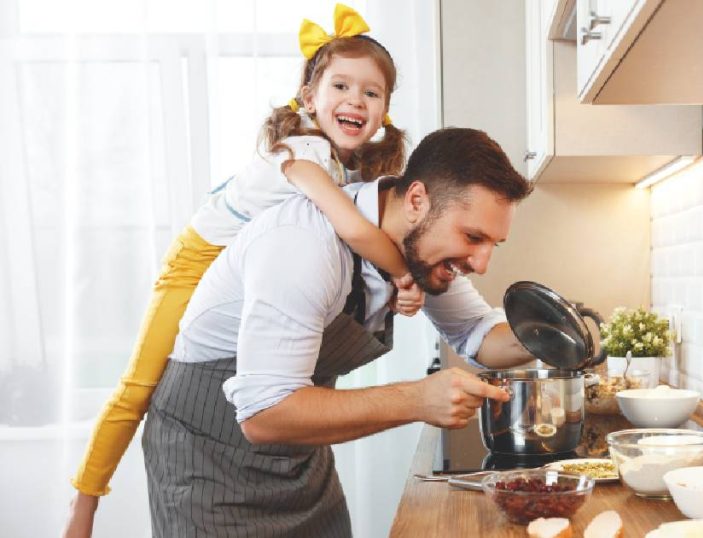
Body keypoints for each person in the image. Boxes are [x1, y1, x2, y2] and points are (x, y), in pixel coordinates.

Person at [63, 4, 423, 537]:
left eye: (371, 92)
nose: (355, 100)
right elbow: (352, 229)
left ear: (386, 110)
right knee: (139, 384)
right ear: (308, 99)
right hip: (196, 260)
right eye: (341, 86)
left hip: (240, 273)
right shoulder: (302, 153)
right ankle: (83, 506)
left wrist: (395, 288)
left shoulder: (352, 168)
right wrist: (403, 275)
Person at [143, 126, 534, 536]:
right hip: (209, 465)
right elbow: (264, 414)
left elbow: (477, 333)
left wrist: (557, 334)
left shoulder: (419, 252)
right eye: (473, 237)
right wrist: (418, 399)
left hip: (299, 461)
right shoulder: (304, 244)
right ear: (417, 200)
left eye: (493, 243)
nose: (482, 262)